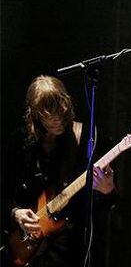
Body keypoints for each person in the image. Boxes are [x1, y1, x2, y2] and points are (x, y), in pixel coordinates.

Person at [1, 75, 117, 267]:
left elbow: (108, 205)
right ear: (35, 114)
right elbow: (3, 196)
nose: (58, 122)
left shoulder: (89, 137)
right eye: (50, 118)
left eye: (62, 115)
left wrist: (107, 190)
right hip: (22, 249)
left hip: (70, 252)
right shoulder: (19, 141)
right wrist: (16, 213)